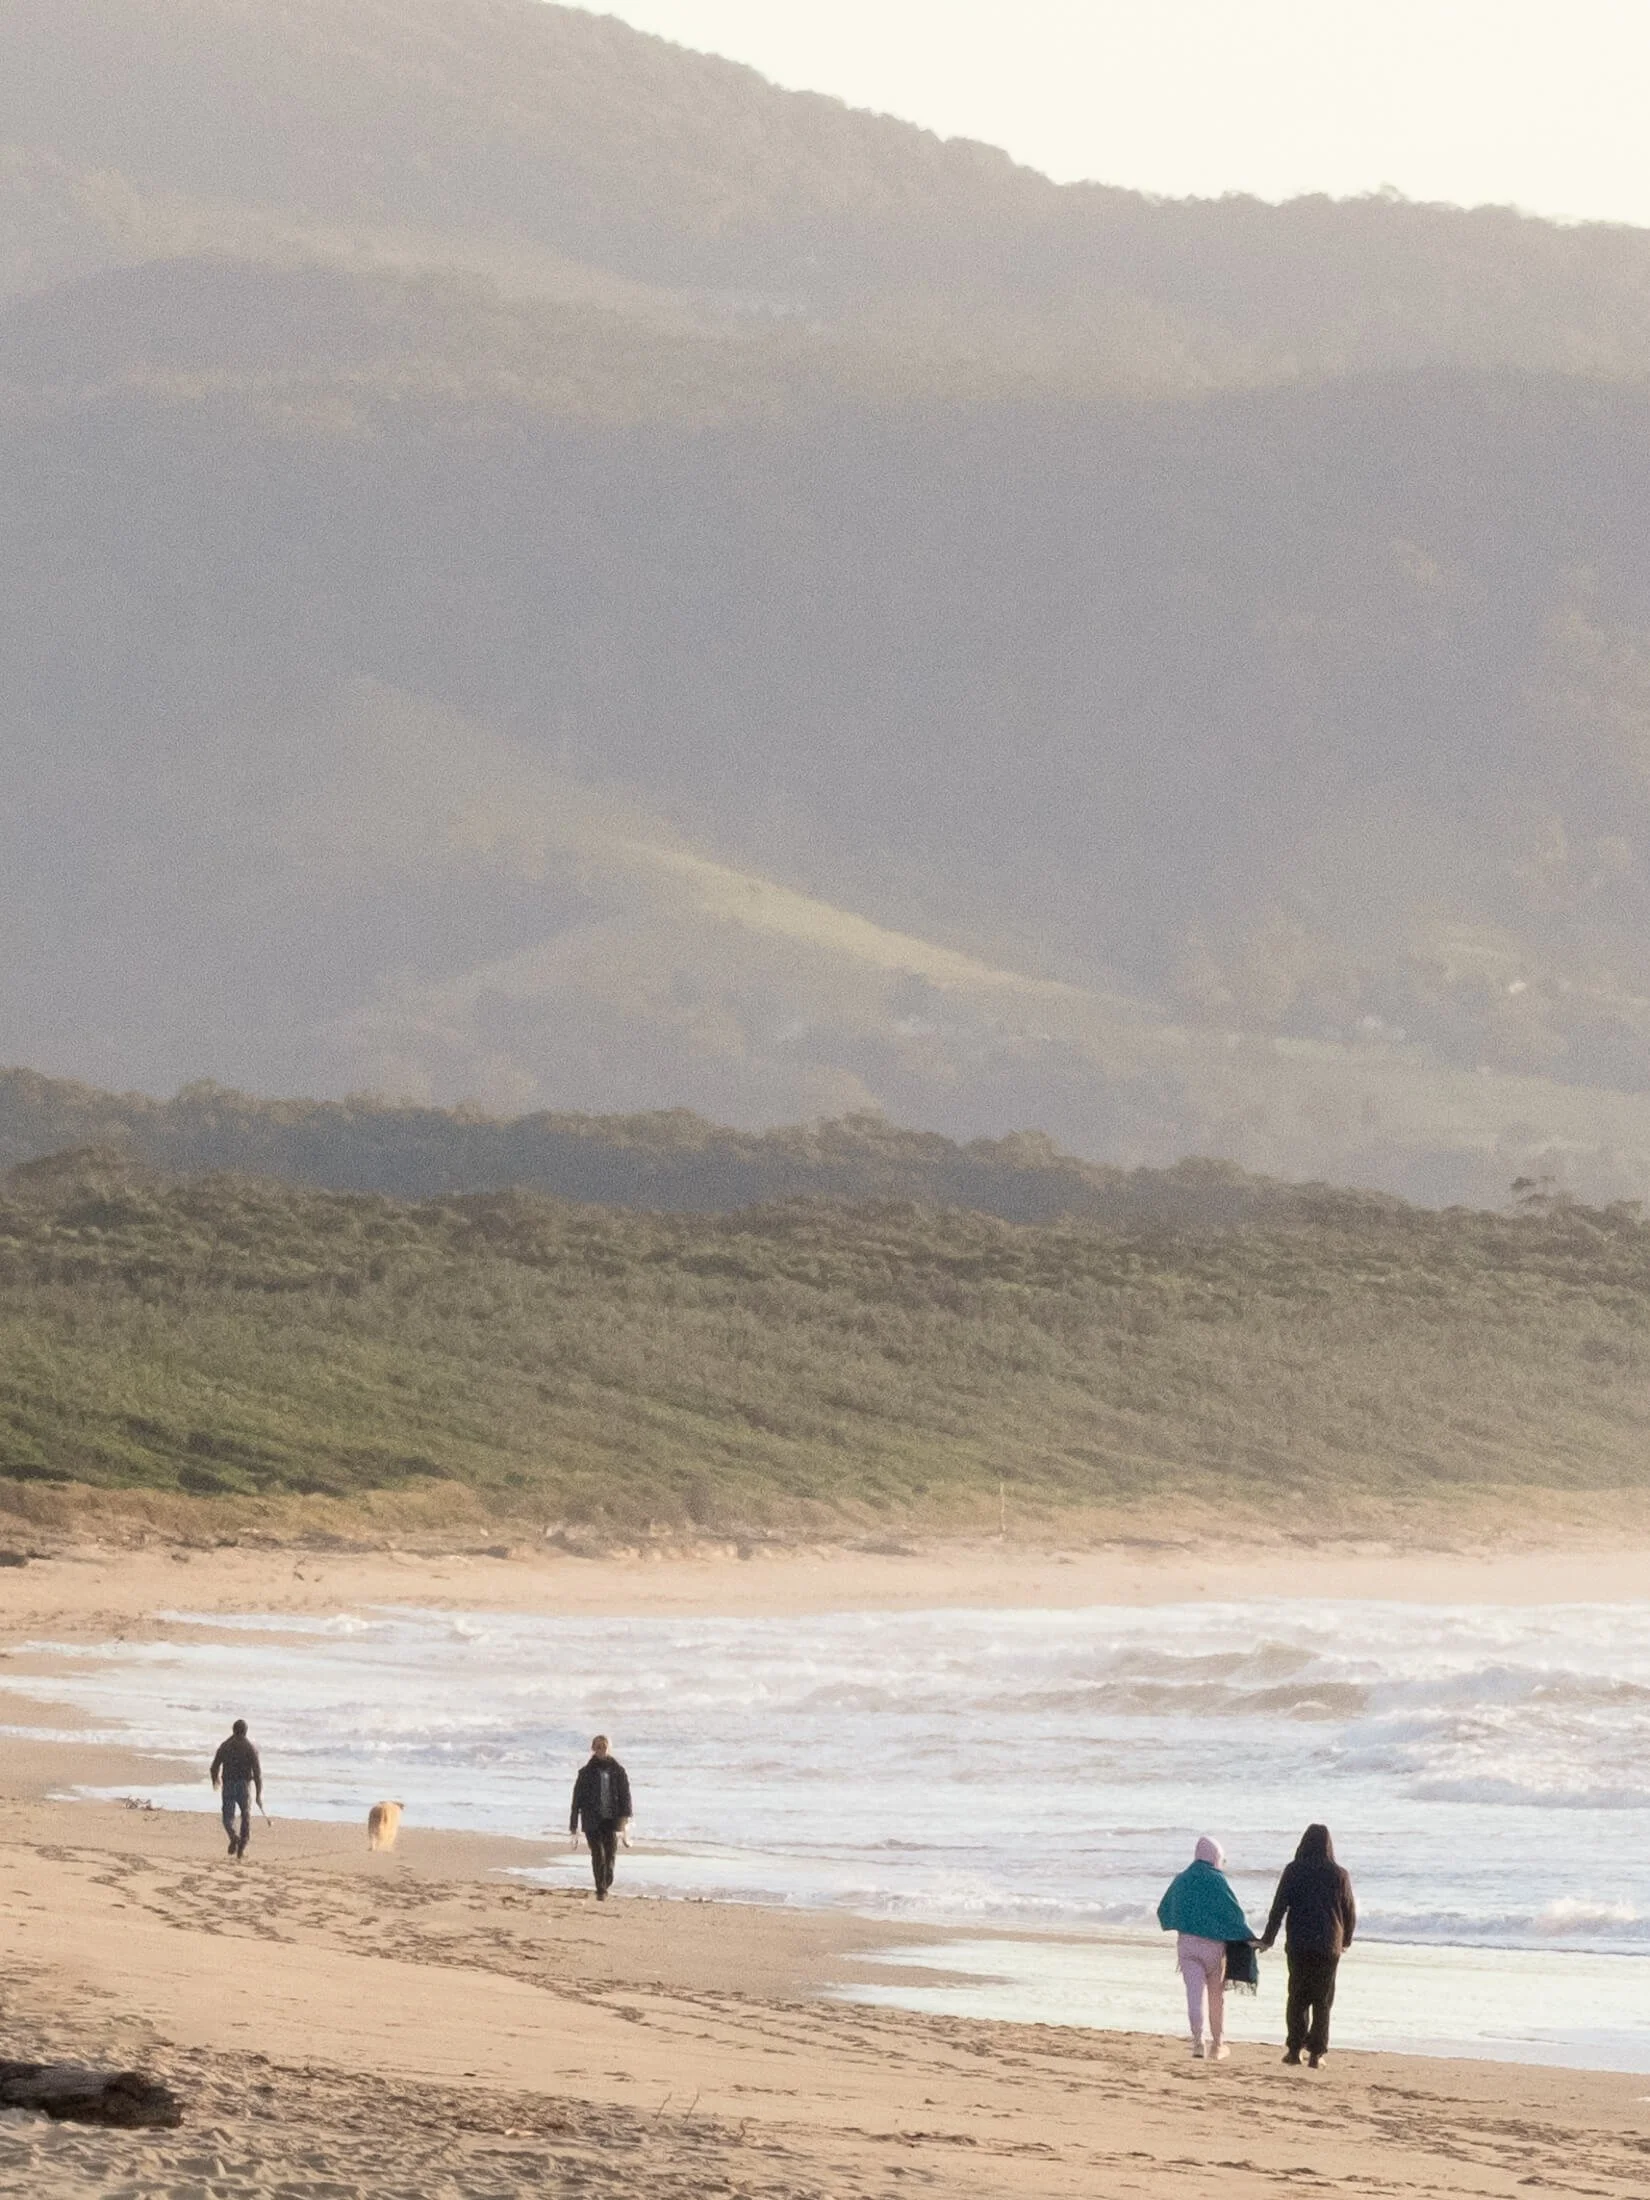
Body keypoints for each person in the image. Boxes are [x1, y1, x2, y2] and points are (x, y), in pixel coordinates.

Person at [1258, 1822, 1357, 2067]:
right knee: (1322, 2000)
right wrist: (1346, 1940)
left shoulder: (1293, 1870)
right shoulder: (1339, 1874)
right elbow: (1349, 1911)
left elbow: (1278, 1907)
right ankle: (1316, 2053)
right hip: (1328, 1946)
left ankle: (1294, 2050)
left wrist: (1267, 1939)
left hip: (1299, 1943)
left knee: (1298, 1996)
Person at [1156, 1834, 1255, 2060]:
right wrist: (1247, 1937)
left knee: (1193, 1994)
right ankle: (1218, 2044)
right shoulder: (1218, 1880)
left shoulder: (1182, 1879)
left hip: (1187, 1946)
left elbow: (1164, 1909)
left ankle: (1197, 2041)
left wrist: (1179, 1923)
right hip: (1214, 1948)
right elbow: (1233, 1913)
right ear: (1216, 1856)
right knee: (1215, 1996)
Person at [569, 1735, 632, 1901]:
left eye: (604, 1746)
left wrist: (626, 1819)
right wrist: (573, 1824)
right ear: (593, 1749)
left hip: (611, 1819)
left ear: (608, 1748)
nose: (601, 1750)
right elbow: (577, 1799)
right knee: (598, 1853)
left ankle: (606, 1881)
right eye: (598, 1747)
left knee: (610, 1854)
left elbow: (625, 1796)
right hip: (592, 1819)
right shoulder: (585, 1773)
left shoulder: (618, 1771)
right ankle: (600, 1889)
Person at [209, 1718, 263, 1860]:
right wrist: (258, 1795)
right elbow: (257, 1773)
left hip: (228, 1784)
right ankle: (242, 1847)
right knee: (245, 1815)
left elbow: (214, 1766)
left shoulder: (225, 1746)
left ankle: (233, 1836)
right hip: (244, 1785)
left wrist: (215, 1780)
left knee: (228, 1817)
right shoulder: (250, 1748)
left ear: (233, 1730)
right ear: (245, 1731)